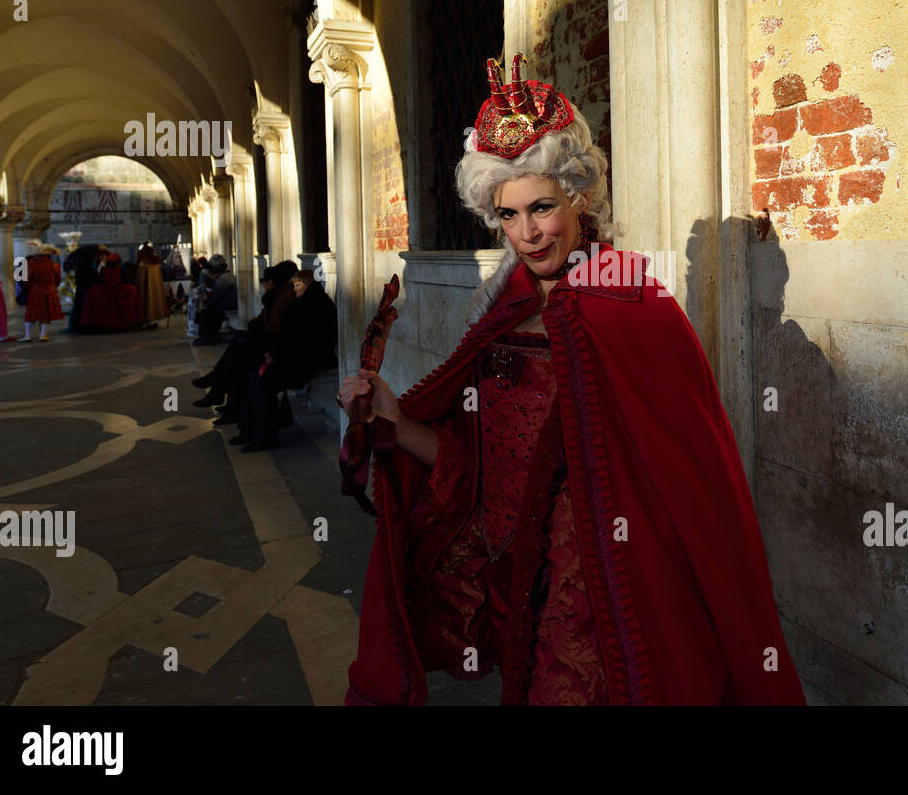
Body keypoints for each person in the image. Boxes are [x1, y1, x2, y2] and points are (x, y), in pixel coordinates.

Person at [335, 54, 805, 706]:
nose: (526, 233)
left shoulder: (634, 306)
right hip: (528, 600)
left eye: (543, 208)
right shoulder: (505, 313)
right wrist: (395, 419)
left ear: (579, 197)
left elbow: (698, 493)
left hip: (614, 613)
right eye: (508, 215)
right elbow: (477, 469)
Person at [231, 268, 336, 452]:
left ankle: (265, 436)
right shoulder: (308, 302)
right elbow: (293, 340)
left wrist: (275, 356)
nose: (294, 289)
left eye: (297, 285)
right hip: (300, 358)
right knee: (255, 377)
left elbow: (303, 342)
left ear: (307, 284)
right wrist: (275, 354)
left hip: (309, 361)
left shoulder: (311, 305)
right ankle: (249, 431)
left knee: (264, 381)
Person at [192, 260, 299, 422]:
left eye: (264, 281)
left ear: (273, 281)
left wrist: (257, 331)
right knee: (238, 349)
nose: (263, 285)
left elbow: (275, 328)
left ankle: (219, 390)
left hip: (277, 349)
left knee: (240, 360)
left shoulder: (284, 297)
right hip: (273, 344)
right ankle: (220, 393)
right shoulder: (276, 296)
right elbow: (263, 321)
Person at [79, 253, 144, 332]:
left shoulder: (104, 269)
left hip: (107, 289)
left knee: (92, 292)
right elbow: (125, 279)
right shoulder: (120, 268)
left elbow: (100, 280)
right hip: (117, 289)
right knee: (133, 290)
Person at [22, 242, 63, 342]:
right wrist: (53, 286)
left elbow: (26, 280)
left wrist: (30, 287)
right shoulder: (55, 265)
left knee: (31, 313)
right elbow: (57, 279)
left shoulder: (31, 265)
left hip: (35, 290)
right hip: (50, 290)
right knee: (46, 314)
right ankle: (43, 334)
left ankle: (28, 335)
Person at [193, 254, 236, 345]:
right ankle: (210, 335)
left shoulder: (224, 279)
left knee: (205, 313)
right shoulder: (225, 276)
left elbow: (215, 297)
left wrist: (207, 303)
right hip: (226, 303)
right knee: (207, 311)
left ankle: (205, 337)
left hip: (228, 304)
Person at [64, 244, 104, 334]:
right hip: (86, 290)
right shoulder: (87, 264)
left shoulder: (84, 262)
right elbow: (92, 278)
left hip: (83, 289)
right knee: (83, 308)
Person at [135, 242, 169, 329]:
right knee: (152, 301)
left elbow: (140, 280)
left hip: (144, 290)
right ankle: (150, 320)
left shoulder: (143, 264)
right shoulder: (155, 264)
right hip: (155, 290)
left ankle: (146, 321)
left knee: (146, 300)